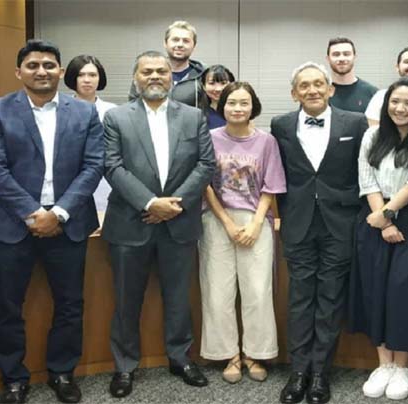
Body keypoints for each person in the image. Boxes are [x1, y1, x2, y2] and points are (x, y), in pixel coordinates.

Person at [0, 39, 104, 404]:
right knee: (7, 306)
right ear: (19, 72)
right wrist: (34, 214)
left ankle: (62, 372)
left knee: (69, 303)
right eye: (33, 65)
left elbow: (94, 165)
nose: (41, 71)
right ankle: (13, 378)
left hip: (68, 222)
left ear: (61, 72)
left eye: (49, 65)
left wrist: (59, 212)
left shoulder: (83, 113)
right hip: (11, 223)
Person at [102, 50, 215, 398]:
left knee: (180, 297)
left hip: (178, 224)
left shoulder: (194, 116)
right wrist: (151, 203)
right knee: (126, 299)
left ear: (171, 77)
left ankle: (180, 358)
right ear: (135, 77)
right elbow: (112, 166)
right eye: (147, 71)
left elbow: (206, 164)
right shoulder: (116, 117)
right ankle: (124, 366)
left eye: (161, 71)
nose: (155, 76)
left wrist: (172, 206)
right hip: (129, 223)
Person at [273, 62, 368, 404]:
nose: (311, 90)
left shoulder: (355, 123)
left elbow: (364, 171)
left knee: (330, 300)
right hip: (297, 222)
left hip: (339, 223)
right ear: (294, 93)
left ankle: (319, 373)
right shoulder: (280, 125)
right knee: (300, 299)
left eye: (318, 84)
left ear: (330, 89)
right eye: (304, 85)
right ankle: (297, 372)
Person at [349, 77, 408, 400]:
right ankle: (383, 363)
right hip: (374, 218)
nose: (400, 108)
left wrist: (389, 215)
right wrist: (381, 218)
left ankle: (403, 365)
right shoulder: (372, 135)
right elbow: (366, 177)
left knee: (406, 292)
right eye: (395, 102)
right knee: (374, 288)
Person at [199, 81, 285, 384]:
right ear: (222, 106)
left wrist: (257, 223)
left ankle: (255, 353)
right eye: (231, 102)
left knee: (258, 291)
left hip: (255, 221)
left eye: (244, 103)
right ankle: (229, 355)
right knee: (217, 291)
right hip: (215, 221)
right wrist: (227, 222)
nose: (237, 108)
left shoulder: (266, 141)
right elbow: (205, 184)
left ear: (253, 106)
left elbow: (271, 186)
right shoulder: (208, 138)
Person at [64, 54, 117, 215]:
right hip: (69, 181)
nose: (87, 80)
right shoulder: (60, 109)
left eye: (92, 75)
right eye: (81, 75)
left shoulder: (113, 111)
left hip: (105, 183)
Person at [128, 20, 205, 107]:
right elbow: (132, 104)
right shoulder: (147, 73)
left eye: (186, 41)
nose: (180, 44)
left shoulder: (203, 75)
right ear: (165, 43)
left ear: (194, 45)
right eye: (175, 40)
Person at [326, 37, 378, 113]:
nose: (341, 58)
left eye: (346, 54)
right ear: (328, 59)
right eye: (336, 54)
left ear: (354, 57)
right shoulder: (320, 93)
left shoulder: (372, 93)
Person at [198, 64, 235, 129]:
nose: (218, 89)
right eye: (212, 83)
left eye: (223, 83)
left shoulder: (240, 111)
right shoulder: (197, 114)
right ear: (204, 86)